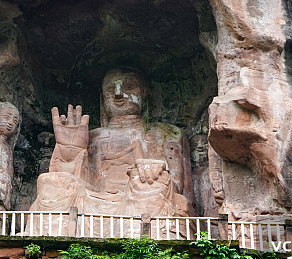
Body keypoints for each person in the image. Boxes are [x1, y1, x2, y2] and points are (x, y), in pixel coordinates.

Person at [30, 69, 194, 223]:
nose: (118, 94)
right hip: (92, 204)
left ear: (146, 95)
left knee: (149, 187)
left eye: (129, 87)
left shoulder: (167, 134)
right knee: (49, 181)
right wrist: (70, 153)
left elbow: (179, 190)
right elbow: (72, 184)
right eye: (110, 90)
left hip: (140, 200)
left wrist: (155, 171)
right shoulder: (91, 137)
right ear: (102, 99)